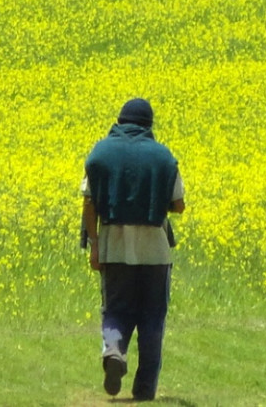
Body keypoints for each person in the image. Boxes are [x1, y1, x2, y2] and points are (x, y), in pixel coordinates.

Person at [81, 97, 184, 400]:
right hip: (155, 250)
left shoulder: (101, 153)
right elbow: (179, 204)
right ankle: (145, 389)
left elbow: (89, 202)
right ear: (148, 124)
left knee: (115, 310)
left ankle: (113, 350)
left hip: (114, 247)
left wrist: (95, 246)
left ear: (120, 120)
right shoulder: (163, 157)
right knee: (153, 316)